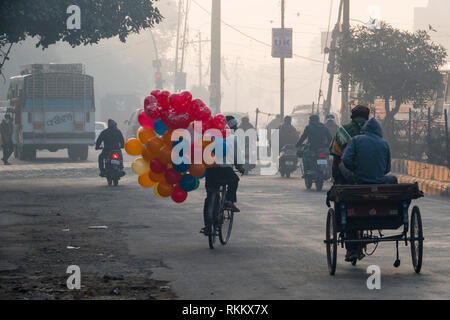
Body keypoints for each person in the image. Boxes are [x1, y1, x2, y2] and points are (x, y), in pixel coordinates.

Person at [201, 116, 245, 236]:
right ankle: (228, 201)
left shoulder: (208, 135)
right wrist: (240, 168)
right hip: (225, 170)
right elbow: (237, 158)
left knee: (210, 196)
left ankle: (207, 226)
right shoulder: (232, 138)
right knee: (234, 180)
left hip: (211, 171)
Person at [341, 118, 398, 185]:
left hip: (359, 179)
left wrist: (354, 169)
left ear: (365, 129)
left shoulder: (356, 139)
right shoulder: (385, 143)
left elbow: (346, 159)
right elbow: (387, 169)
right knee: (393, 179)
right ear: (379, 130)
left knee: (341, 166)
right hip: (379, 180)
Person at [330, 105, 370, 184]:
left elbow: (336, 156)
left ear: (352, 116)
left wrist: (335, 175)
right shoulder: (374, 130)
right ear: (367, 117)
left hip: (350, 174)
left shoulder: (343, 130)